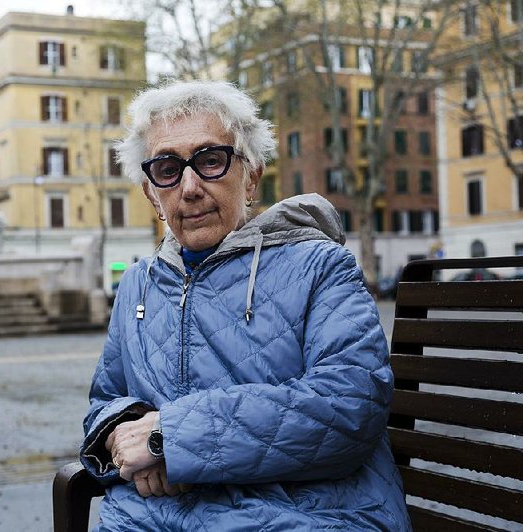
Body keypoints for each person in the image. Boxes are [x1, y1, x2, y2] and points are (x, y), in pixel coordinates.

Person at [79, 80, 410, 531]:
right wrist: (123, 429)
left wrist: (167, 439)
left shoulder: (319, 265)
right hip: (150, 516)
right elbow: (106, 397)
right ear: (150, 192)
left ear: (251, 174)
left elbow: (347, 407)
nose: (189, 187)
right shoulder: (139, 282)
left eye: (210, 160)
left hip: (300, 515)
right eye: (167, 168)